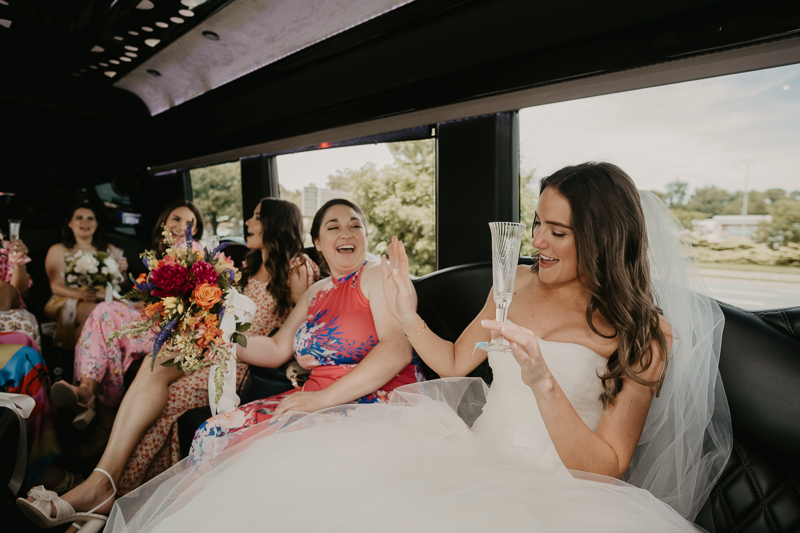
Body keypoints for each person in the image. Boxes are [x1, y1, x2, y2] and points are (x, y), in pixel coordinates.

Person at [46, 165, 735, 532]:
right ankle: (102, 499)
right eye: (537, 225)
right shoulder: (514, 279)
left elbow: (609, 466)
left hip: (551, 490)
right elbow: (455, 361)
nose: (540, 241)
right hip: (462, 448)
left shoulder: (648, 333)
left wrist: (544, 384)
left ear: (603, 235)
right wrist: (408, 315)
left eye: (557, 230)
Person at [16, 198, 320, 531]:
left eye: (257, 217)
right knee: (152, 361)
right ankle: (100, 486)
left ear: (276, 223)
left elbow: (299, 331)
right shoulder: (247, 263)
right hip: (209, 343)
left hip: (239, 360)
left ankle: (111, 498)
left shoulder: (297, 268)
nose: (248, 222)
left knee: (165, 404)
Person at [50, 201, 205, 455]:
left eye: (190, 224)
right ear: (165, 221)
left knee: (105, 316)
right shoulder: (165, 253)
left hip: (172, 328)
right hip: (157, 317)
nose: (182, 227)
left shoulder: (191, 250)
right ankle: (86, 390)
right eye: (176, 219)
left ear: (196, 232)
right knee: (103, 313)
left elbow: (180, 302)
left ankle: (98, 414)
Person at [43, 205, 128, 349]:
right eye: (79, 218)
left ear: (96, 224)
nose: (85, 222)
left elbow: (122, 284)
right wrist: (81, 295)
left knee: (121, 312)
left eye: (90, 218)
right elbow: (55, 286)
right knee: (97, 313)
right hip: (69, 298)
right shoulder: (58, 250)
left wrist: (122, 272)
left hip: (106, 297)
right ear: (70, 223)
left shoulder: (110, 250)